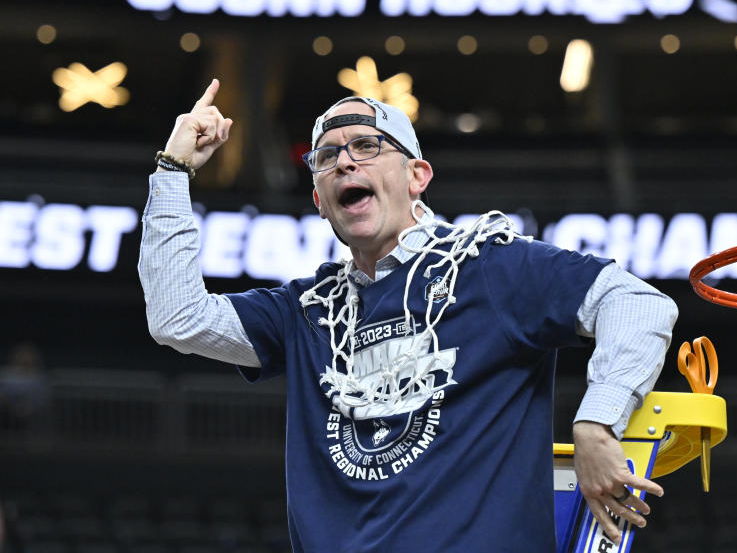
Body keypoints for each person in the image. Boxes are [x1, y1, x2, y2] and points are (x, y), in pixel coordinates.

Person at [139, 79, 678, 552]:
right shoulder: (306, 314)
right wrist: (173, 171)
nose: (345, 161)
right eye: (326, 157)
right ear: (319, 200)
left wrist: (596, 422)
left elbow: (637, 303)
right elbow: (177, 318)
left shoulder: (488, 266)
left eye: (366, 147)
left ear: (418, 175)